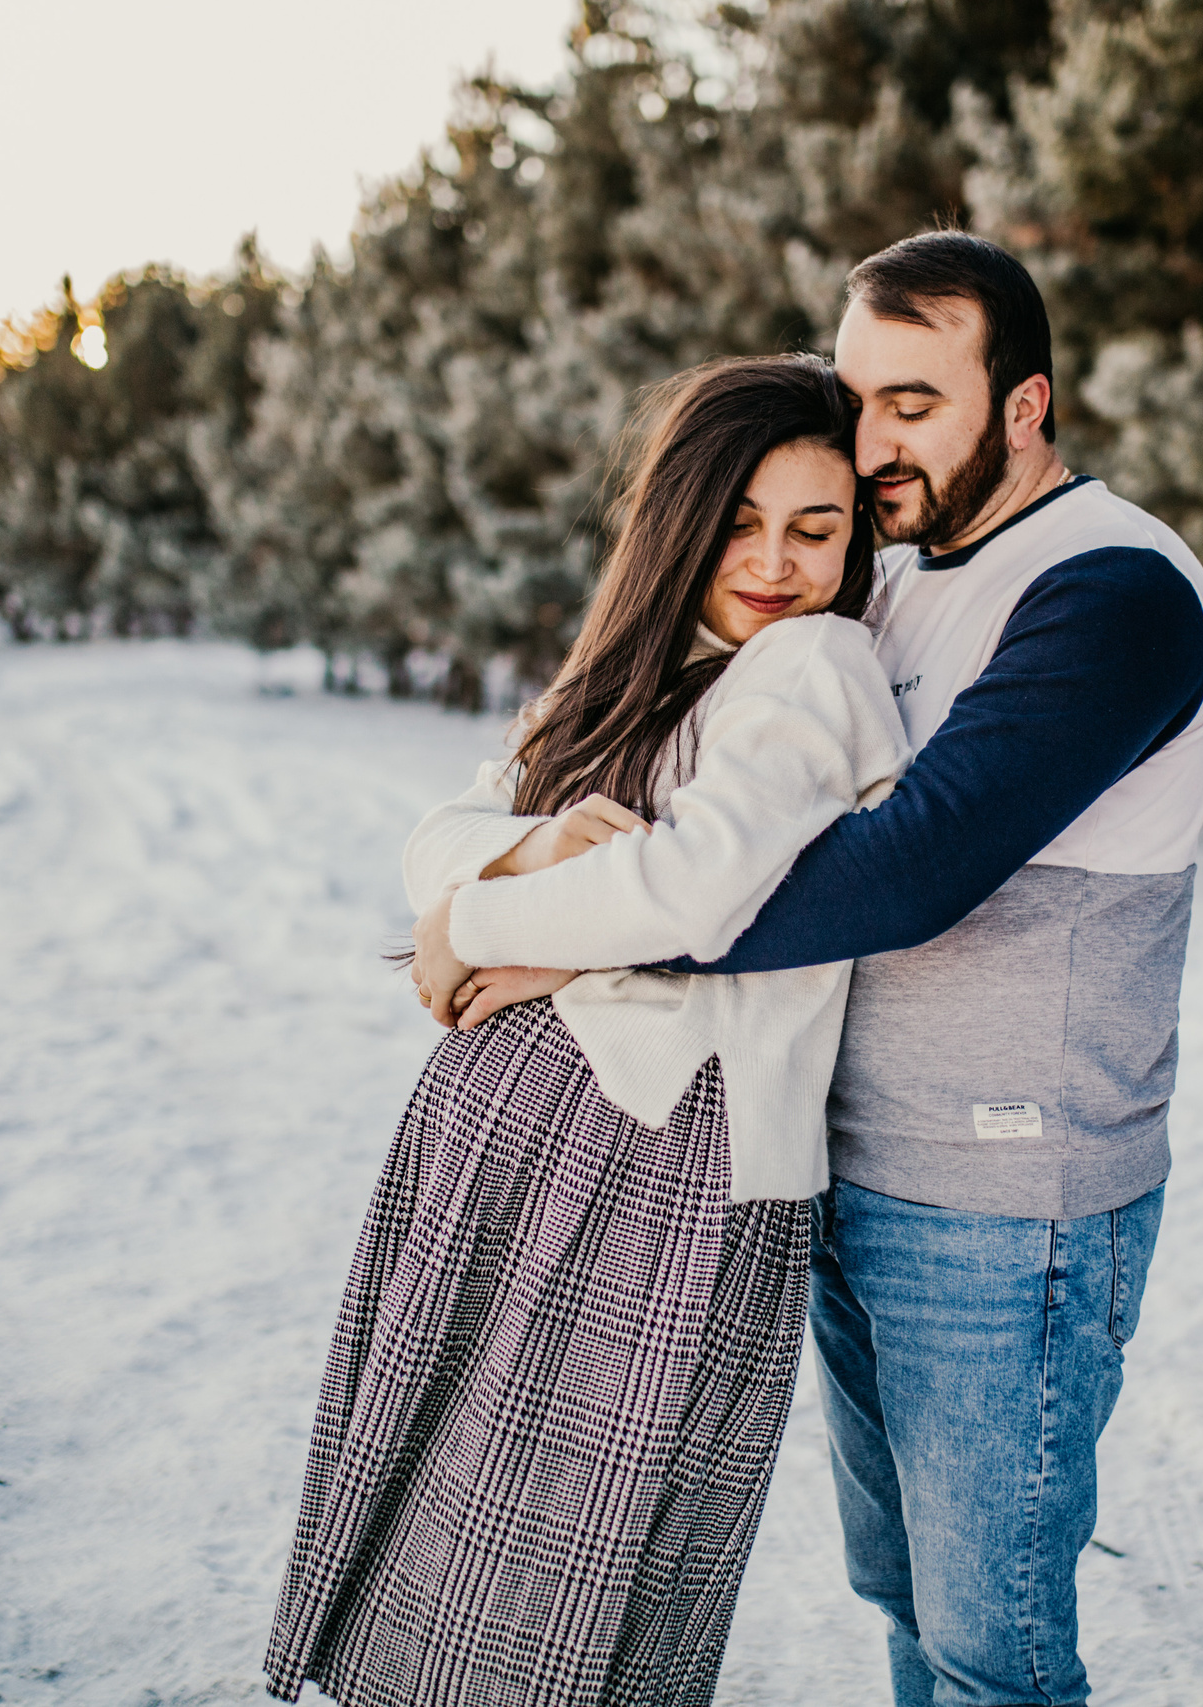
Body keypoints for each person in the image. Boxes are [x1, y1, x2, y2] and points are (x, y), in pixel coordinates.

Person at [421, 231, 1203, 1706]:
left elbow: (906, 873)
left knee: (997, 1653)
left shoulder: (1113, 593)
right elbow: (712, 806)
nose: (869, 444)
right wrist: (533, 858)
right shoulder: (895, 582)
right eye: (857, 397)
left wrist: (543, 942)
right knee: (911, 1605)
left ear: (1028, 405)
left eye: (913, 403)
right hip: (851, 1180)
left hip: (1009, 1204)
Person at [260, 355, 910, 1707]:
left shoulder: (814, 665)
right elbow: (436, 836)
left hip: (660, 1168)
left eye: (817, 527)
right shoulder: (649, 669)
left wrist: (477, 932)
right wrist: (538, 847)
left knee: (569, 1587)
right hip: (530, 1151)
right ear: (682, 516)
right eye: (741, 520)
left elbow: (691, 889)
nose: (777, 561)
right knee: (452, 1560)